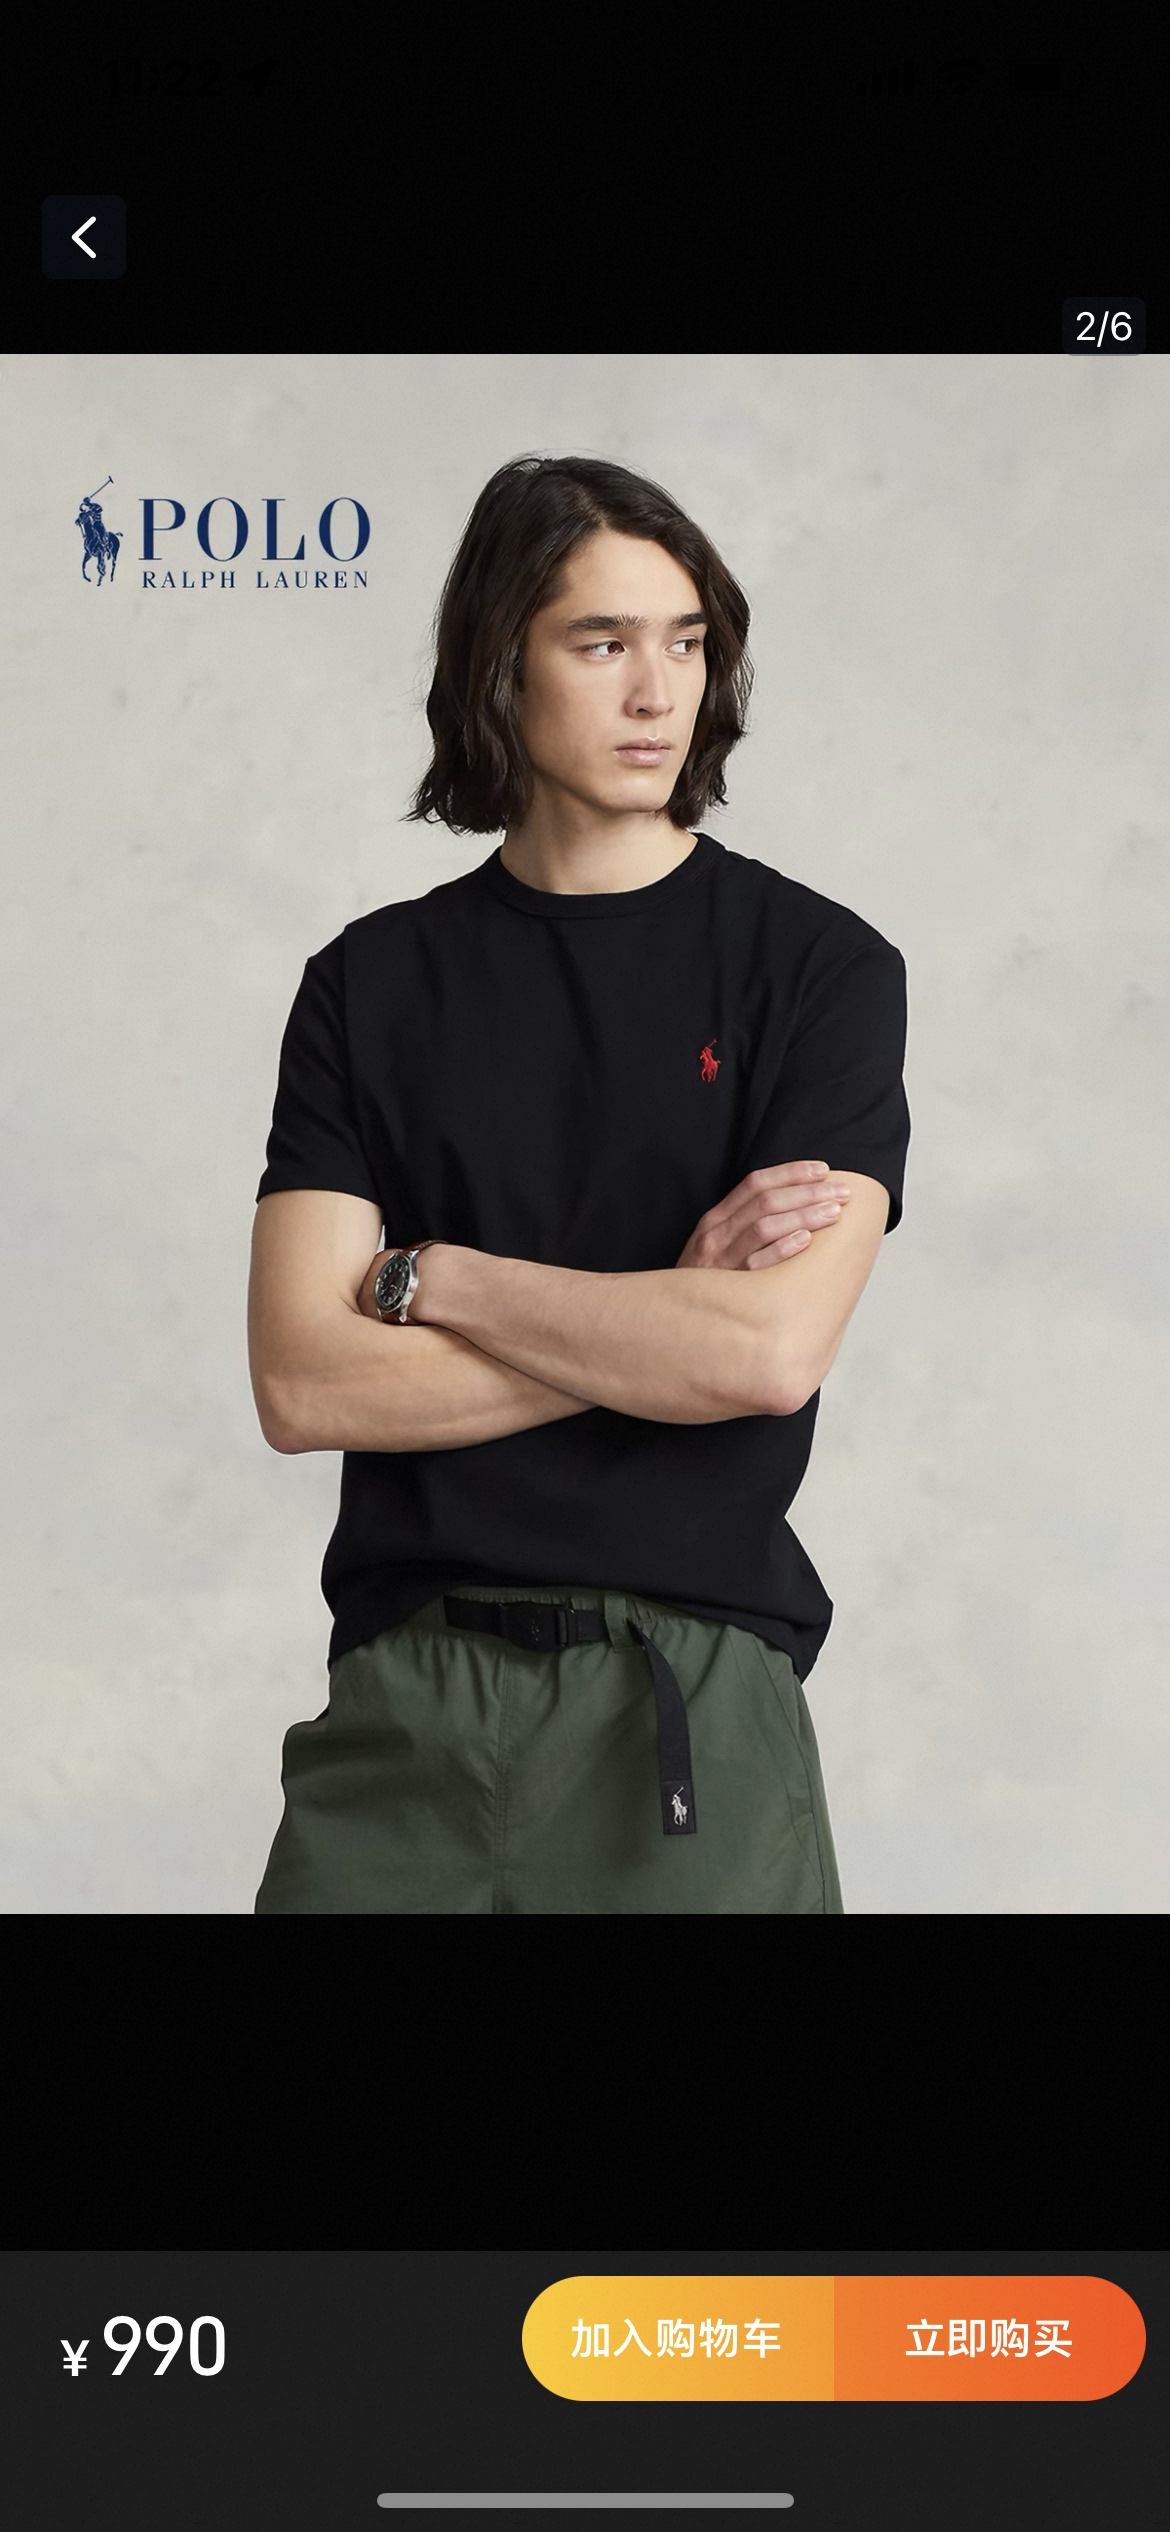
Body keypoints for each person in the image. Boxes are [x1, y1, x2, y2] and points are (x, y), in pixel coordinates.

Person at [247, 452, 910, 1913]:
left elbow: (762, 1354)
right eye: (602, 643)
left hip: (686, 1704)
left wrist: (441, 1279)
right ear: (502, 664)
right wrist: (660, 1315)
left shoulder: (822, 972)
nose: (656, 692)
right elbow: (303, 1383)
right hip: (403, 1703)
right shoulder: (369, 984)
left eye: (686, 643)